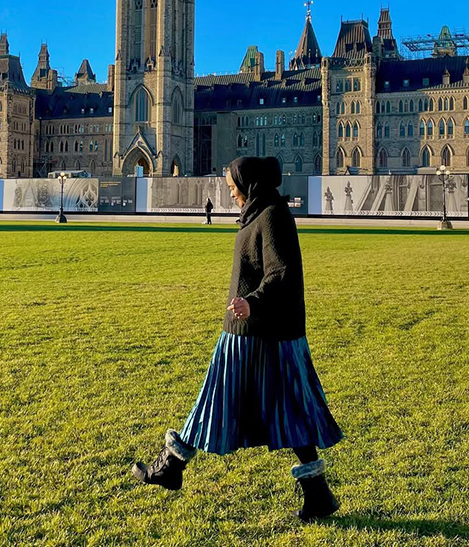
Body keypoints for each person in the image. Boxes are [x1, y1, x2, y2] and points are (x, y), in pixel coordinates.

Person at [131, 156, 342, 522]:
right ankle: (317, 494)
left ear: (250, 184)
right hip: (259, 331)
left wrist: (251, 302)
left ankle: (172, 466)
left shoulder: (273, 216)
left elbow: (281, 272)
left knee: (217, 399)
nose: (231, 194)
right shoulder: (258, 214)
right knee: (287, 412)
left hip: (255, 332)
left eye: (233, 187)